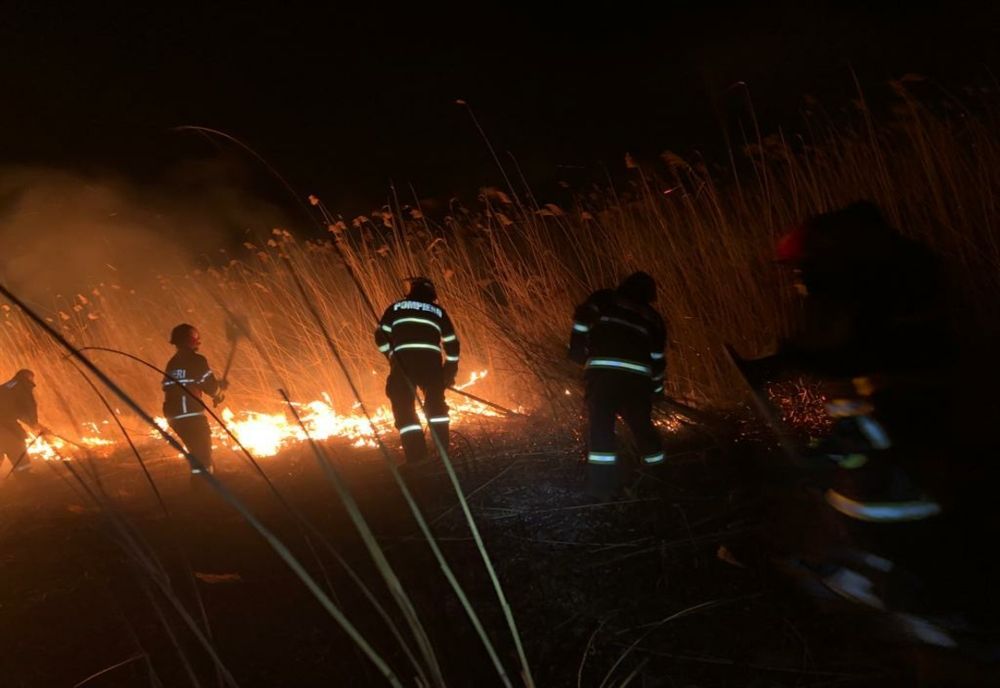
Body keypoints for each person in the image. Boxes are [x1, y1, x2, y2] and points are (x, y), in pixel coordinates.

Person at [568, 271, 667, 499]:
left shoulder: (604, 298)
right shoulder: (654, 319)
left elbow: (582, 321)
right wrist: (658, 390)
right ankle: (659, 478)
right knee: (643, 428)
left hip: (603, 378)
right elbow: (658, 360)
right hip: (637, 384)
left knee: (602, 430)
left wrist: (577, 351)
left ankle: (602, 489)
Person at [374, 277, 460, 464]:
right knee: (436, 406)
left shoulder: (396, 308)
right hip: (431, 365)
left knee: (403, 405)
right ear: (432, 294)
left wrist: (391, 357)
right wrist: (448, 372)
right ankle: (443, 453)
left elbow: (380, 336)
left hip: (404, 364)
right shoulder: (438, 312)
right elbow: (452, 344)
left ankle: (417, 457)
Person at [162, 324, 224, 475]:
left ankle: (214, 480)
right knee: (202, 453)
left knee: (198, 453)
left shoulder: (172, 362)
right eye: (196, 339)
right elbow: (209, 385)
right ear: (191, 340)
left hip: (174, 416)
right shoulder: (196, 360)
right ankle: (203, 491)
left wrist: (215, 388)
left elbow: (188, 383)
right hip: (190, 415)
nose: (199, 342)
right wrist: (218, 394)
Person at [0, 369, 44, 476]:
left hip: (4, 424)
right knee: (17, 448)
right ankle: (25, 476)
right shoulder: (22, 387)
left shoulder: (7, 386)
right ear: (28, 377)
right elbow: (28, 407)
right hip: (6, 426)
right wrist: (34, 423)